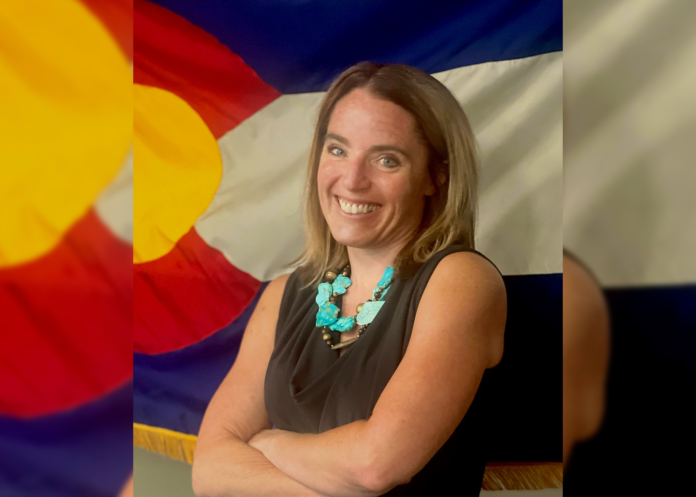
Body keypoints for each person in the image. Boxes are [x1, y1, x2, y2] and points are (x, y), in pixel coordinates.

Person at [192, 62, 507, 497]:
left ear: (437, 176)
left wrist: (269, 443)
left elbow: (375, 467)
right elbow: (208, 471)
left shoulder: (461, 281)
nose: (353, 181)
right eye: (338, 150)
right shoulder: (284, 294)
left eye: (386, 159)